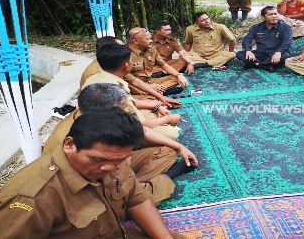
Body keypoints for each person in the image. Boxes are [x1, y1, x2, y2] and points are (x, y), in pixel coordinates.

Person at [0, 108, 188, 238]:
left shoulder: (113, 158)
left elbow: (136, 199)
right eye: (97, 159)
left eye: (119, 159)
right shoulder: (31, 199)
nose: (109, 168)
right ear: (70, 145)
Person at [43, 83, 198, 205]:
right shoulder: (77, 138)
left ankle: (134, 185)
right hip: (85, 182)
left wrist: (179, 147)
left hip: (101, 169)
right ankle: (156, 182)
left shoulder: (96, 117)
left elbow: (141, 130)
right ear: (106, 111)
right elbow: (82, 181)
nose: (125, 114)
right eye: (123, 109)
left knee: (167, 151)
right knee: (143, 200)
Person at [84, 43, 182, 140]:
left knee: (154, 111)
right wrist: (168, 119)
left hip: (106, 120)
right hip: (113, 132)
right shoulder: (115, 92)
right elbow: (140, 126)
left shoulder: (103, 75)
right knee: (171, 133)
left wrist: (156, 105)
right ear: (126, 66)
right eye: (131, 60)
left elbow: (130, 100)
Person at [80, 36, 182, 107]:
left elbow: (134, 81)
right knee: (152, 100)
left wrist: (160, 96)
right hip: (106, 106)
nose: (126, 48)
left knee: (154, 97)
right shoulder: (99, 73)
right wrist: (156, 105)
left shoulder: (112, 62)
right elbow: (116, 104)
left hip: (120, 97)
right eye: (121, 47)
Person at [127, 27, 189, 96]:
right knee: (129, 88)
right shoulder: (126, 54)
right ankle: (157, 92)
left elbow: (164, 65)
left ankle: (156, 91)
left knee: (176, 78)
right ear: (136, 41)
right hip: (135, 84)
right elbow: (126, 78)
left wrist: (179, 75)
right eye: (147, 39)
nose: (151, 41)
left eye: (150, 38)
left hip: (150, 80)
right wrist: (148, 86)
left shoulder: (151, 50)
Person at [236, 6, 292, 73]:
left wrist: (278, 52)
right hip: (260, 53)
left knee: (285, 56)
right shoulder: (256, 27)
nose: (274, 16)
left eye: (275, 14)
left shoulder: (285, 27)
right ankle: (263, 66)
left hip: (275, 53)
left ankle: (254, 64)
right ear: (263, 17)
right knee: (239, 54)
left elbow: (287, 42)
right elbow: (247, 40)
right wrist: (248, 51)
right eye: (270, 14)